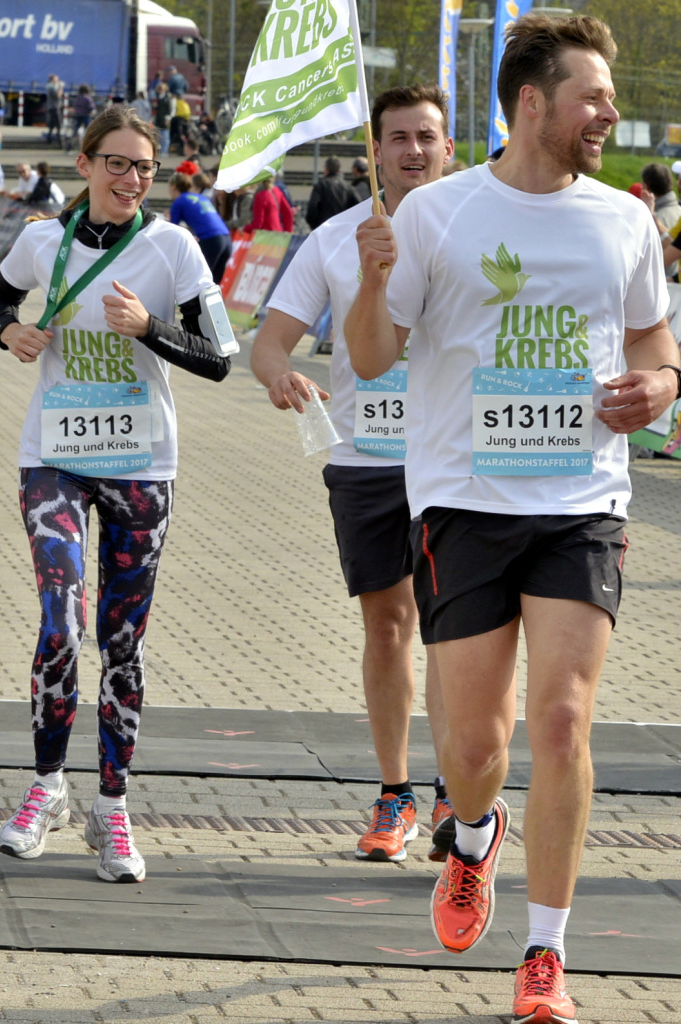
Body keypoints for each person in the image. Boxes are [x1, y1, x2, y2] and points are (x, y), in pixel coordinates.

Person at [345, 15, 680, 1022]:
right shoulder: (438, 214)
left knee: (565, 717)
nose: (608, 112)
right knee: (475, 749)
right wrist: (369, 276)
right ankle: (473, 835)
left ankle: (544, 952)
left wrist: (658, 389)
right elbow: (368, 356)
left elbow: (657, 348)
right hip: (463, 501)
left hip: (579, 501)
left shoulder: (621, 220)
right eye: (592, 95)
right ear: (531, 102)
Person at [0, 105, 232, 884]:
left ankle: (112, 809)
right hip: (53, 458)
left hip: (141, 467)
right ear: (85, 166)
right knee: (59, 622)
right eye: (117, 164)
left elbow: (221, 358)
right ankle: (46, 789)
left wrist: (150, 327)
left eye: (144, 168)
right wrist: (8, 333)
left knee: (120, 641)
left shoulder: (172, 246)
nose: (131, 180)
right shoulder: (40, 240)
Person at [251, 84, 458, 865]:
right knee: (389, 628)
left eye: (426, 137)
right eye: (397, 137)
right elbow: (270, 343)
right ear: (374, 150)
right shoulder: (336, 238)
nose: (411, 151)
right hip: (365, 462)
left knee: (455, 633)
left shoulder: (477, 226)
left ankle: (455, 794)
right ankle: (395, 794)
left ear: (448, 149)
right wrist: (280, 377)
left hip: (460, 467)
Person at [169, 170, 232, 283]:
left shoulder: (179, 202)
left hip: (211, 240)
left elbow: (172, 230)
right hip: (226, 238)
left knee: (199, 280)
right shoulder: (200, 197)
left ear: (173, 186)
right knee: (214, 282)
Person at [305, 156, 358, 229]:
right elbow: (358, 207)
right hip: (342, 229)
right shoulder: (349, 188)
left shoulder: (321, 186)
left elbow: (312, 208)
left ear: (326, 169)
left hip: (324, 228)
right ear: (339, 170)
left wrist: (315, 226)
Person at [153, 82, 172, 155]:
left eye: (163, 89)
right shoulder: (157, 97)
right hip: (158, 118)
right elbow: (155, 109)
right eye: (160, 89)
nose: (161, 90)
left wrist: (167, 119)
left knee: (165, 137)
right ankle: (159, 152)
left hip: (165, 118)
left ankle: (165, 152)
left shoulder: (167, 97)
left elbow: (169, 109)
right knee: (158, 137)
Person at [46, 74, 64, 147]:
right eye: (56, 79)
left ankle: (49, 139)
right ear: (52, 80)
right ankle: (59, 141)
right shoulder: (51, 87)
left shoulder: (50, 87)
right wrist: (61, 87)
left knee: (52, 124)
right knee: (58, 124)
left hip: (52, 107)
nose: (57, 81)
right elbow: (58, 95)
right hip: (54, 108)